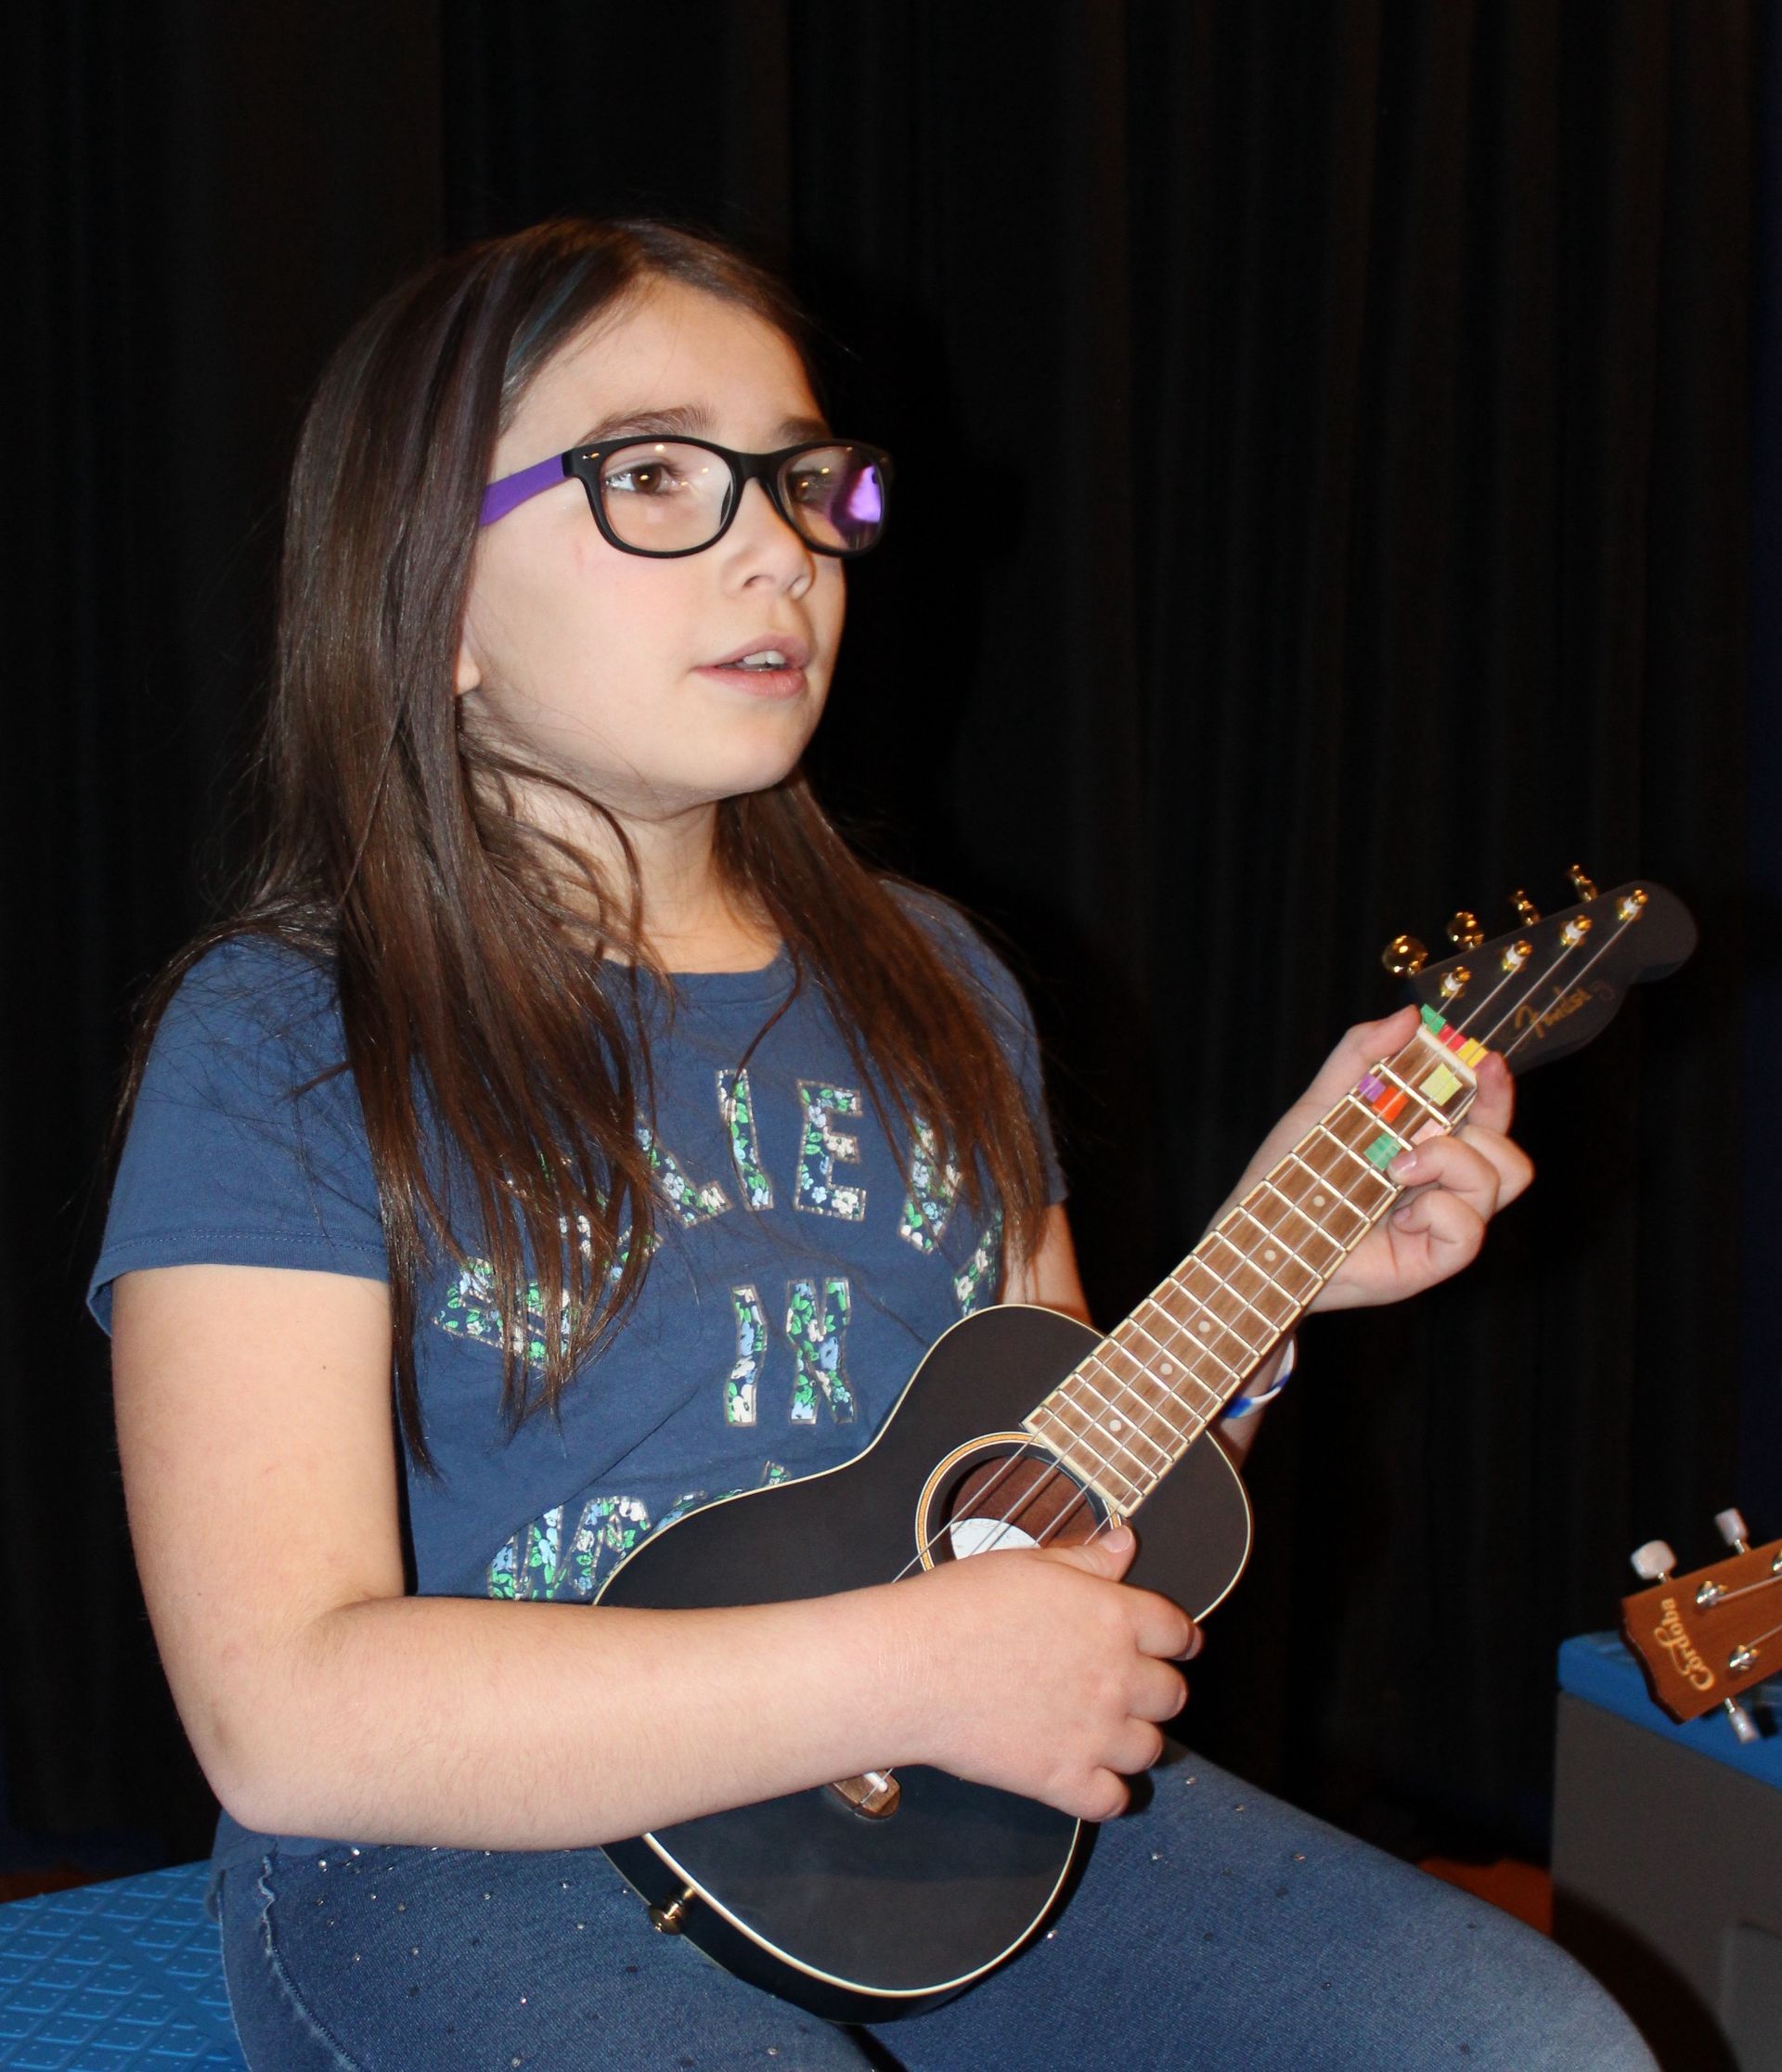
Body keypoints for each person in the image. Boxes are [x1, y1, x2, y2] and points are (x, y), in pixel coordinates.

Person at [89, 217, 1654, 2069]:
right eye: (657, 475)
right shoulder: (281, 1033)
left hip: (928, 1810)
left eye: (807, 481)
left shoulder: (941, 980)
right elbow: (288, 1709)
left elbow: (1048, 1474)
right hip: (454, 1853)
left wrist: (1285, 1262)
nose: (779, 544)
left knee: (1531, 2039)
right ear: (429, 601)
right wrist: (915, 1659)